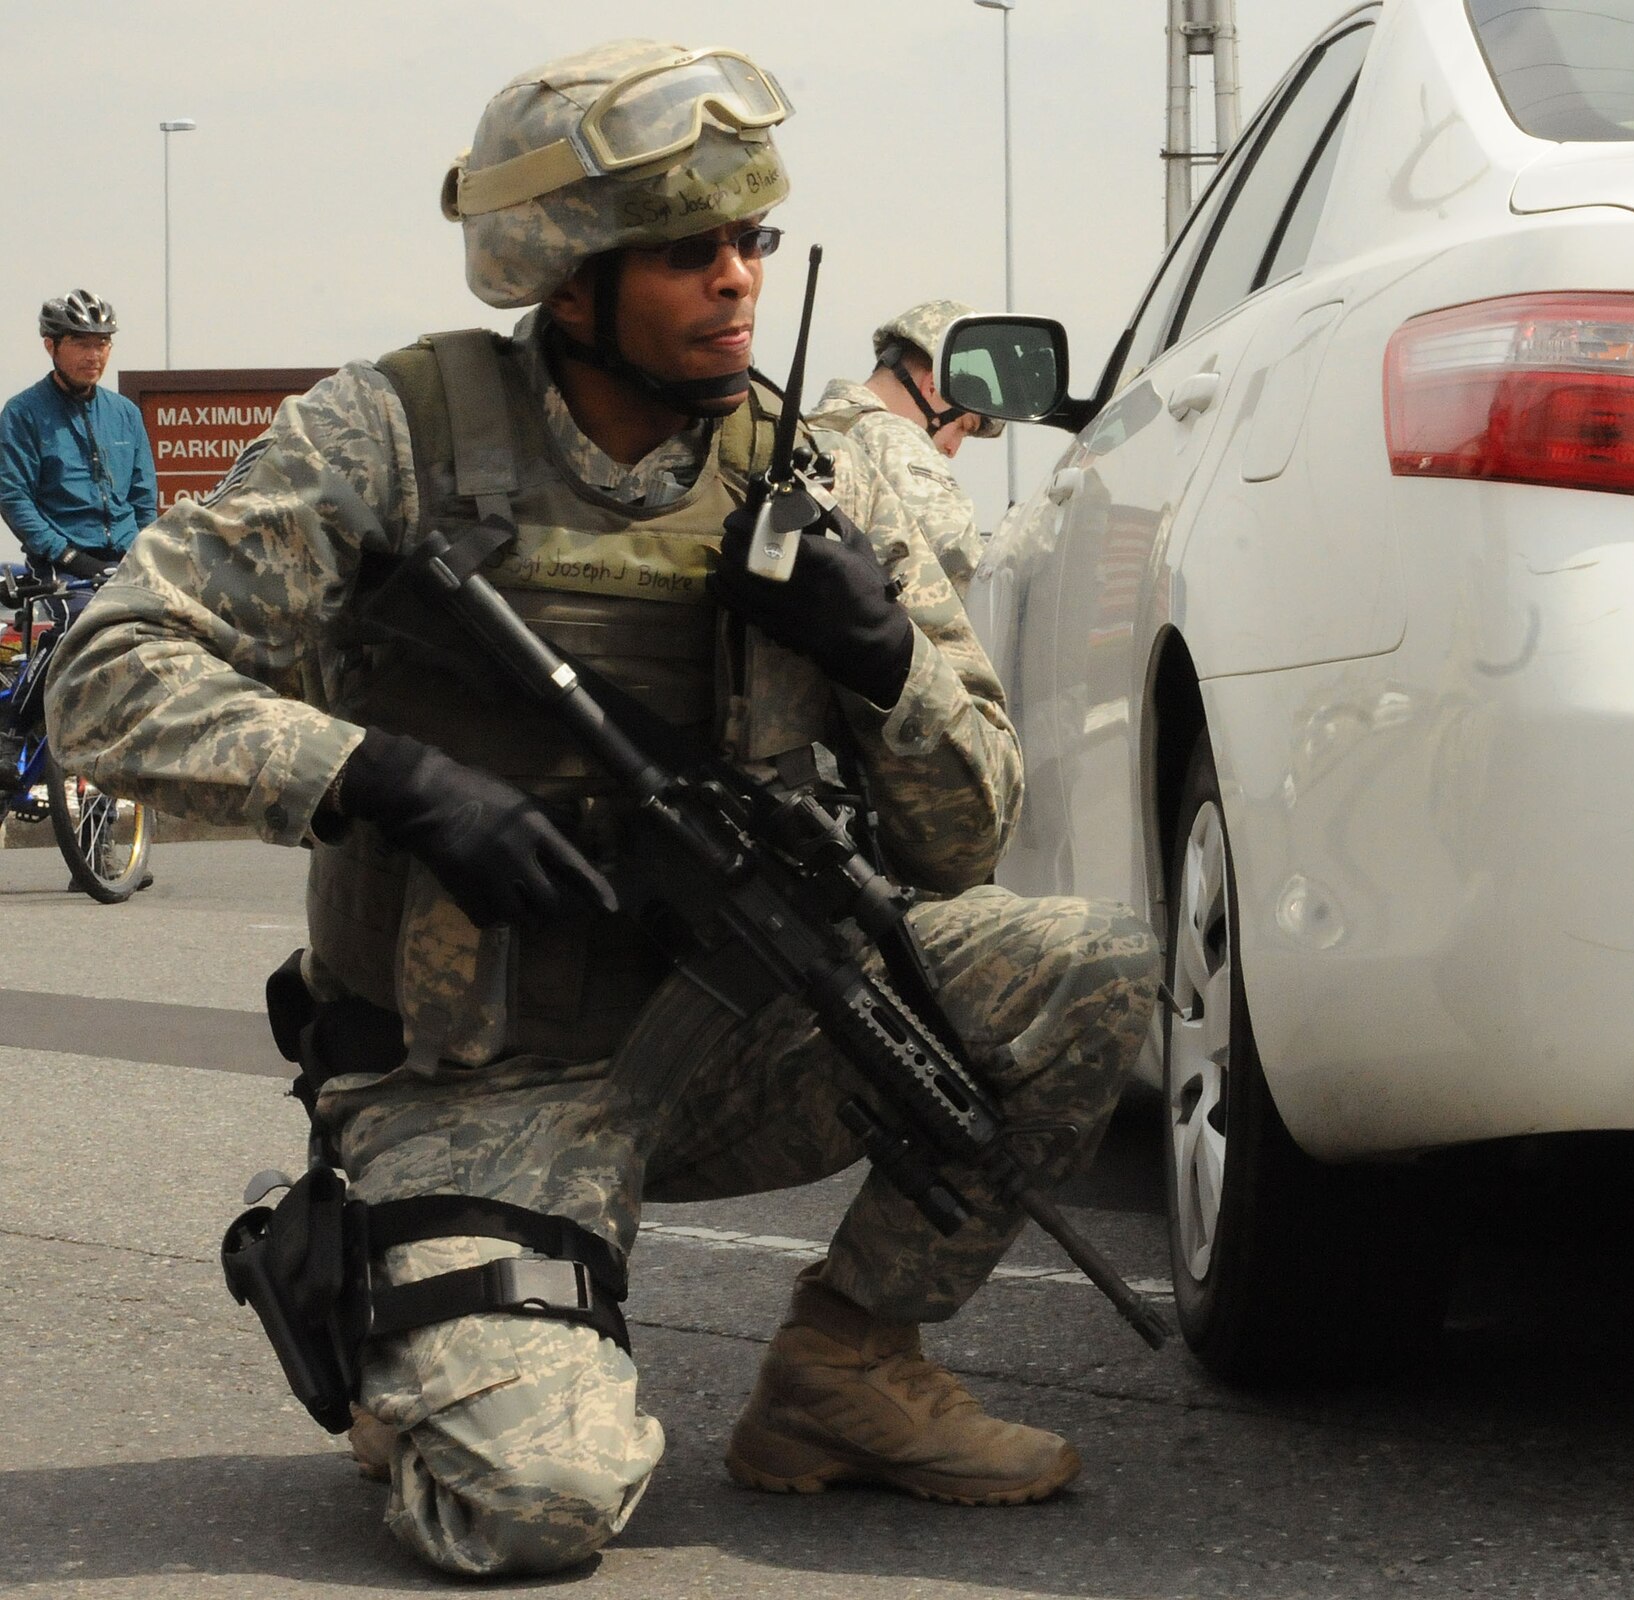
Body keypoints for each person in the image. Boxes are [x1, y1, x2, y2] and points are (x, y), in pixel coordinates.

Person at [47, 39, 1156, 1579]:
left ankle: (844, 1374)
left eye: (750, 240)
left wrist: (884, 658)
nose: (737, 278)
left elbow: (965, 835)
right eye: (688, 251)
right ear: (570, 283)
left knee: (1087, 968)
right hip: (475, 1084)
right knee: (538, 1504)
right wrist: (384, 778)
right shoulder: (396, 438)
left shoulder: (821, 476)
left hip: (739, 1034)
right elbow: (106, 676)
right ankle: (407, 1324)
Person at [810, 300, 1004, 599]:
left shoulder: (814, 428)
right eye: (962, 426)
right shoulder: (889, 435)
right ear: (934, 387)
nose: (952, 449)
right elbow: (962, 560)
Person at [0, 291, 156, 582]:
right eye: (81, 344)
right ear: (51, 346)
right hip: (61, 565)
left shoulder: (125, 413)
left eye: (102, 343)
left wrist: (144, 552)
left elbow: (143, 498)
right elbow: (14, 498)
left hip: (128, 560)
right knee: (89, 613)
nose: (93, 355)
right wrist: (69, 557)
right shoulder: (23, 413)